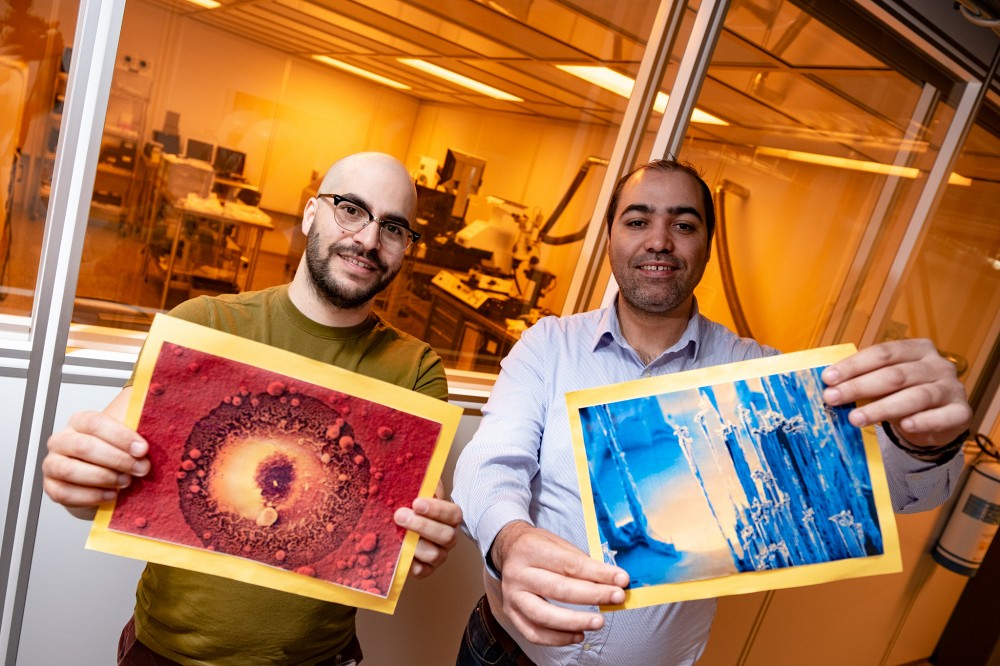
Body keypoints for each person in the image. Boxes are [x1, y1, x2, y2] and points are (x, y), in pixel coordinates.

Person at [452, 159, 972, 666]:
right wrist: (509, 542)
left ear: (706, 245)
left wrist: (922, 443)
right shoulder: (548, 345)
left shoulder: (758, 378)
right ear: (609, 234)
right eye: (638, 221)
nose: (659, 240)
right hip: (505, 653)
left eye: (683, 224)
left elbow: (889, 490)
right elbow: (492, 462)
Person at [42, 152, 462, 665]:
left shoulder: (415, 369)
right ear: (311, 214)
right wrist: (77, 481)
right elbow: (100, 488)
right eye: (351, 209)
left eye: (393, 227)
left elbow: (416, 512)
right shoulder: (205, 326)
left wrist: (425, 537)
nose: (369, 240)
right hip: (168, 652)